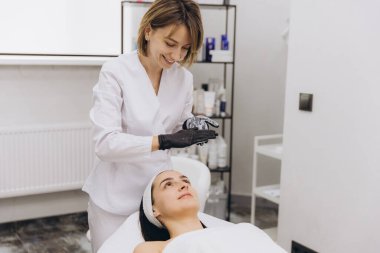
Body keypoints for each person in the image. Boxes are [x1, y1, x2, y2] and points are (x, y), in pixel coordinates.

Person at [82, 0, 219, 252]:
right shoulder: (116, 72)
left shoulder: (183, 78)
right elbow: (105, 144)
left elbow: (177, 120)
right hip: (114, 198)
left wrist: (190, 124)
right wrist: (164, 141)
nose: (177, 56)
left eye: (185, 48)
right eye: (170, 43)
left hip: (157, 202)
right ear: (148, 31)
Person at [135, 170, 287, 253]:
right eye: (168, 184)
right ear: (154, 209)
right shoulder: (154, 248)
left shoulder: (244, 230)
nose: (183, 185)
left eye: (186, 181)